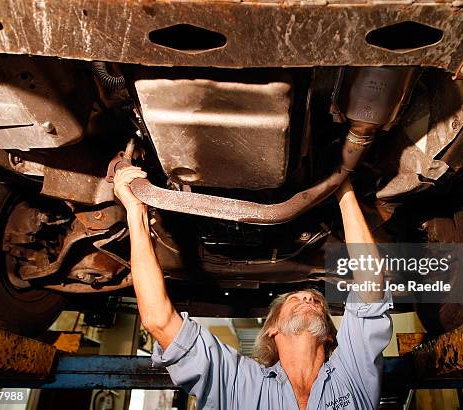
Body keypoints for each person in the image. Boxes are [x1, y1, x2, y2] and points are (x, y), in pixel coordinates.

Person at [113, 166, 393, 410]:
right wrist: (135, 212)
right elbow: (159, 321)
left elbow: (371, 280)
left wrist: (342, 189)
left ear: (331, 338)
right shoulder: (236, 381)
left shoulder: (352, 371)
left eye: (316, 301)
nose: (309, 295)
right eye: (296, 298)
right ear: (272, 329)